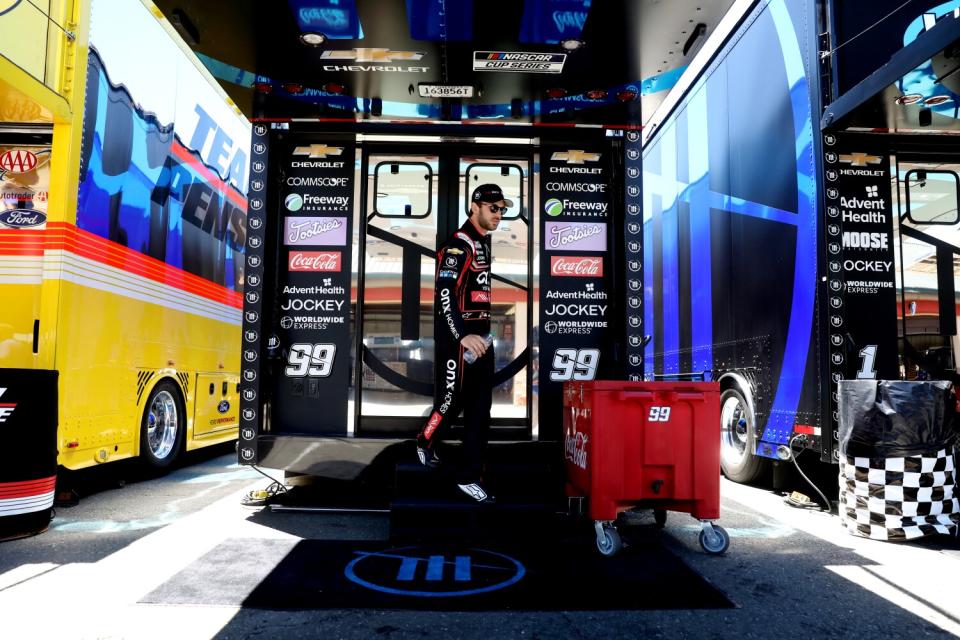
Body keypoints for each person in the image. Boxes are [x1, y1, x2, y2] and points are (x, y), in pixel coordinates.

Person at [415, 183, 509, 504]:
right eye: (493, 208)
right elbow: (444, 294)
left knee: (481, 410)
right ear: (475, 207)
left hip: (481, 338)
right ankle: (425, 441)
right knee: (451, 403)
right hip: (460, 339)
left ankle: (469, 477)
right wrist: (463, 336)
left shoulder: (483, 243)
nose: (499, 214)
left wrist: (483, 333)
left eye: (502, 209)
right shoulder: (459, 245)